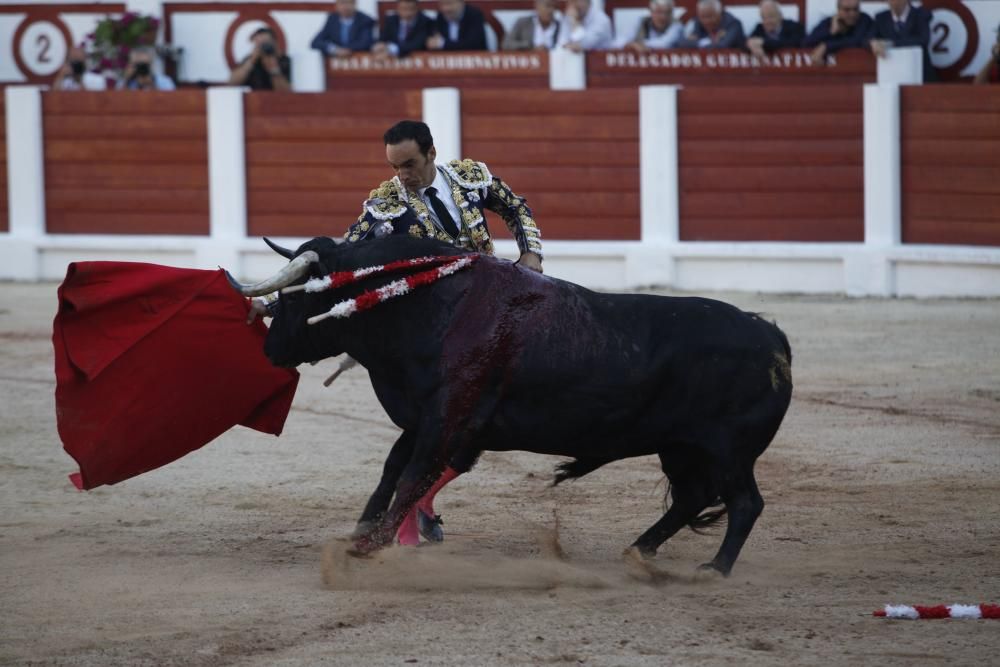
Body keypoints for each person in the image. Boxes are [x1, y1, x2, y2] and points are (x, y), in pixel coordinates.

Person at [870, 0, 935, 81]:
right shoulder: (881, 18)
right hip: (890, 74)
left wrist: (891, 44)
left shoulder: (920, 15)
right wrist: (873, 43)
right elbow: (867, 38)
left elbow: (923, 40)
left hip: (920, 74)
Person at [802, 0, 874, 66]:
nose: (852, 14)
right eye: (847, 10)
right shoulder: (829, 22)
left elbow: (857, 40)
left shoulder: (864, 20)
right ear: (838, 10)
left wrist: (826, 46)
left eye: (855, 9)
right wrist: (830, 32)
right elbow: (807, 42)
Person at [311, 0, 376, 58]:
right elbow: (316, 42)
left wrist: (345, 49)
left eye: (350, 3)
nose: (346, 6)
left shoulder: (365, 20)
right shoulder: (332, 19)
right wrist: (334, 49)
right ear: (337, 5)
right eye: (343, 3)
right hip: (334, 64)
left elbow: (365, 43)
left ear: (355, 4)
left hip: (359, 61)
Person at [675, 0, 746, 49]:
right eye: (703, 17)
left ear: (720, 13)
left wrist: (696, 42)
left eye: (710, 16)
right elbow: (682, 43)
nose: (706, 21)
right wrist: (708, 41)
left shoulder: (733, 24)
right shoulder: (697, 22)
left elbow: (722, 46)